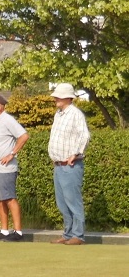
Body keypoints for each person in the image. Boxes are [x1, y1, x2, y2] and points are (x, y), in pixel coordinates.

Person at [0, 94, 29, 242]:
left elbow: (24, 136)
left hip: (5, 169)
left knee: (9, 199)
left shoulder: (7, 119)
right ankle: (4, 231)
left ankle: (18, 232)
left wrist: (11, 154)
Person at [48, 83, 90, 245]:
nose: (56, 99)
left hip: (70, 165)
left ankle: (78, 235)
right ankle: (68, 234)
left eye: (59, 96)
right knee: (62, 203)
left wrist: (75, 153)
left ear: (68, 98)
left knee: (73, 200)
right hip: (59, 165)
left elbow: (84, 136)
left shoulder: (75, 114)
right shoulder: (58, 114)